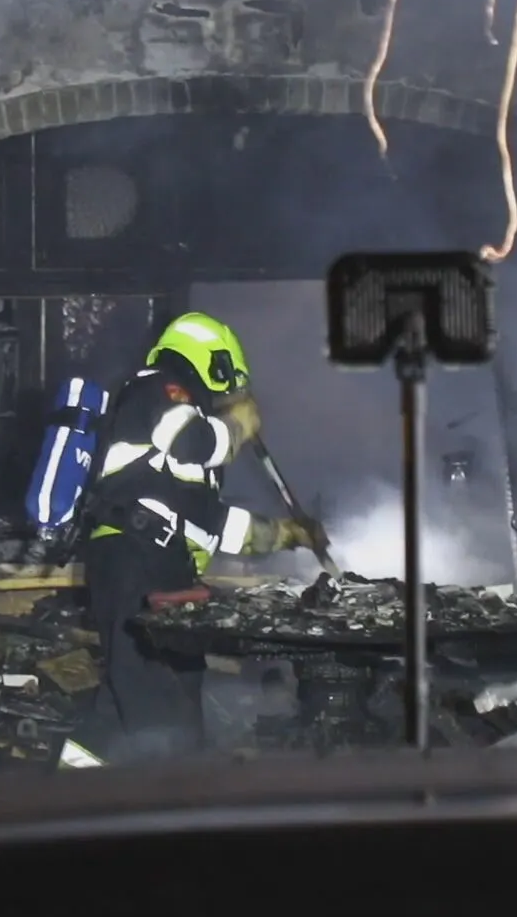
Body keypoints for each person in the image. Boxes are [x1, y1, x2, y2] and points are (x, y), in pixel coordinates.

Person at [69, 311, 327, 765]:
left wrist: (283, 535)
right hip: (135, 562)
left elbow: (209, 523)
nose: (229, 397)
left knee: (131, 700)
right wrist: (239, 426)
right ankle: (172, 810)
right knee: (161, 711)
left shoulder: (178, 449)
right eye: (229, 383)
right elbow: (193, 441)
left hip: (162, 567)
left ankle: (71, 795)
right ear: (215, 363)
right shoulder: (157, 389)